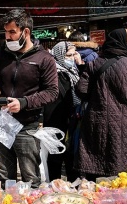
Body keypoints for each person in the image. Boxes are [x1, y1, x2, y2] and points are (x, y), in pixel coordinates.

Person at [0, 9, 59, 188]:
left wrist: (24, 103)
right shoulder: (1, 54)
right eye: (5, 32)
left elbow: (52, 92)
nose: (7, 37)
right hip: (2, 124)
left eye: (12, 32)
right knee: (5, 180)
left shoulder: (44, 59)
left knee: (31, 181)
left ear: (26, 32)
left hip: (27, 127)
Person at [74, 28, 127, 181]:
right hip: (125, 125)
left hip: (96, 122)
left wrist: (96, 93)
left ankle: (94, 197)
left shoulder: (94, 64)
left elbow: (81, 90)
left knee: (95, 167)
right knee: (121, 172)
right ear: (123, 43)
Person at [44, 41, 80, 181]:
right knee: (55, 155)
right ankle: (55, 184)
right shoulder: (54, 73)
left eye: (73, 54)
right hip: (55, 119)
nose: (71, 58)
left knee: (70, 153)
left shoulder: (73, 71)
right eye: (68, 55)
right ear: (59, 55)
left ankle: (72, 182)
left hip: (70, 119)